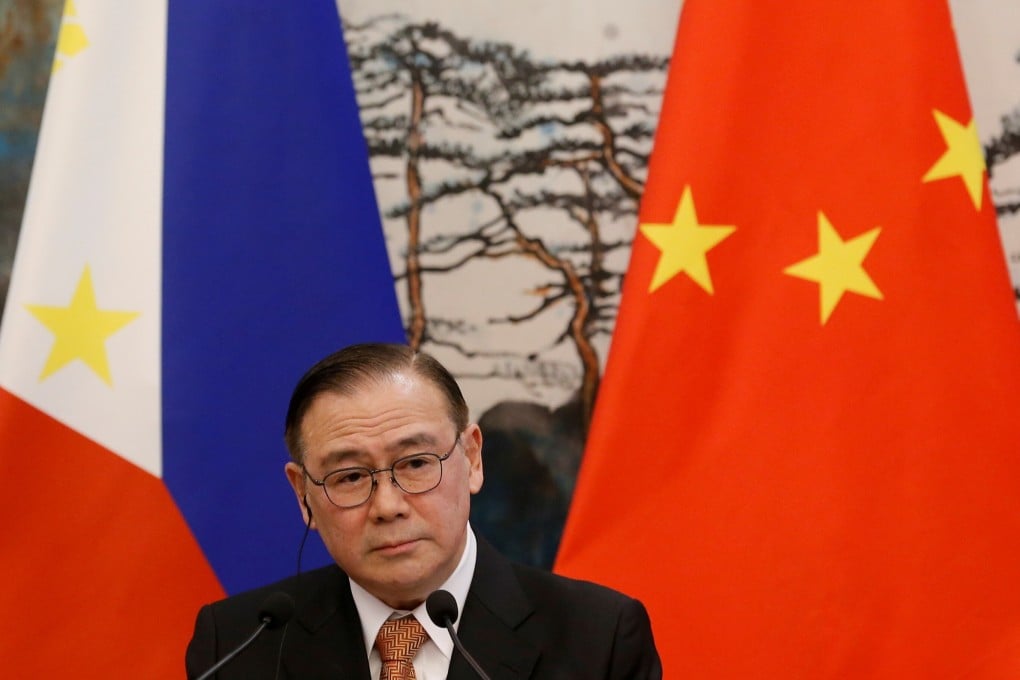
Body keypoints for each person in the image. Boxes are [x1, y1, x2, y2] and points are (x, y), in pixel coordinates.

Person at [186, 342, 662, 679]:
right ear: (303, 495)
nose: (387, 507)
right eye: (350, 477)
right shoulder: (235, 646)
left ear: (472, 459)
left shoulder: (598, 638)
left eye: (415, 464)